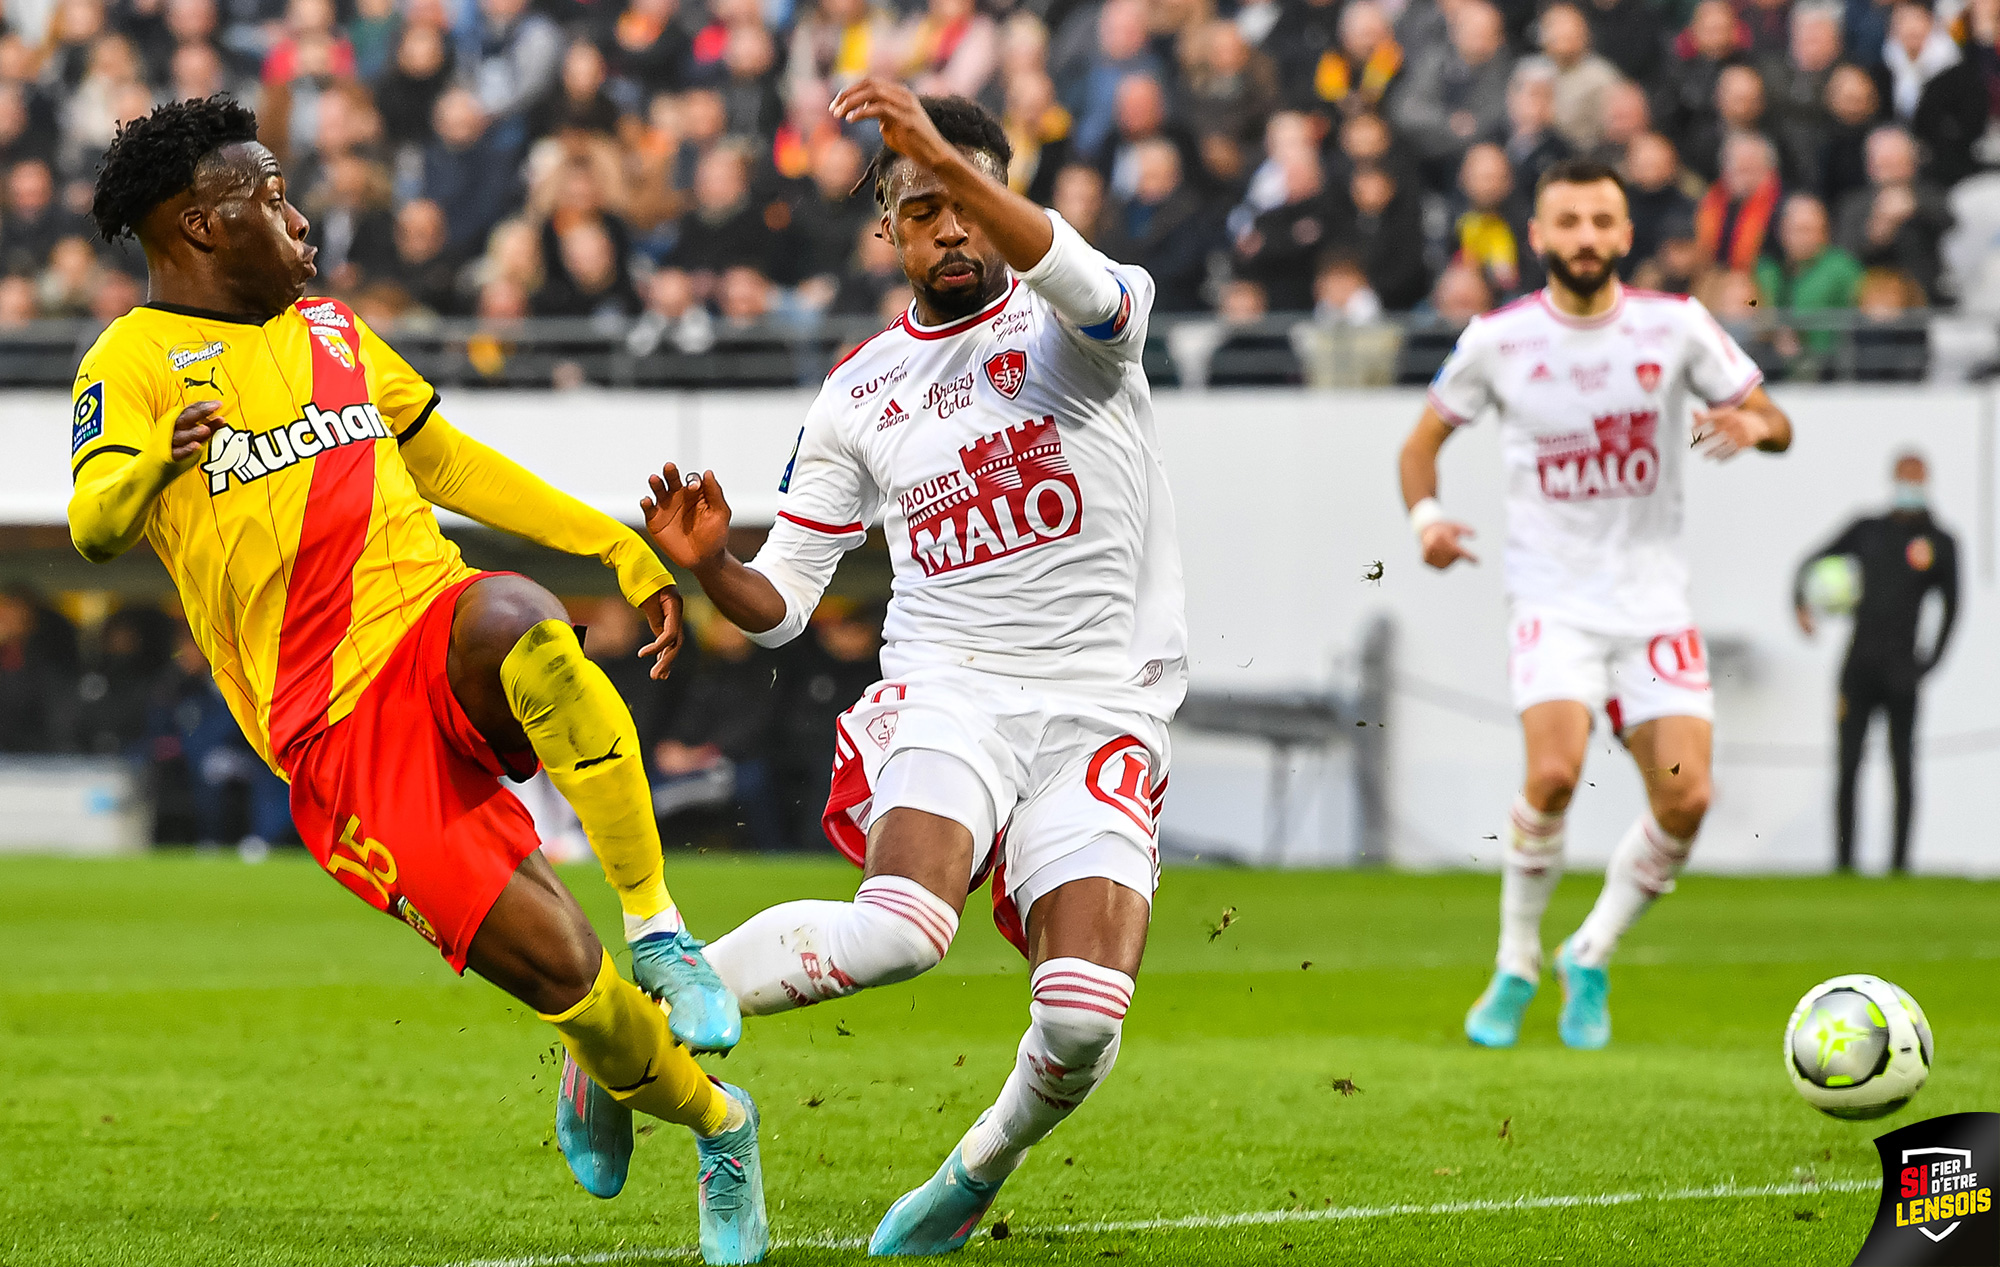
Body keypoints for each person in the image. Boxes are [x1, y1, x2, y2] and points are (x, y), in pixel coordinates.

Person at [65, 98, 764, 1264]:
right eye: (270, 199)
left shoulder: (335, 330)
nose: (300, 220)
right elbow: (90, 523)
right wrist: (150, 463)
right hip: (332, 738)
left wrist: (608, 540)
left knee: (528, 627)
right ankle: (715, 1119)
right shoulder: (127, 364)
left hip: (428, 628)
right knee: (564, 982)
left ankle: (660, 931)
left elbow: (443, 458)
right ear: (197, 224)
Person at [640, 81, 1184, 1254]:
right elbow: (784, 602)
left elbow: (1077, 279)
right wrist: (710, 568)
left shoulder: (1087, 317)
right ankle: (632, 1022)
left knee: (1084, 1021)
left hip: (1102, 710)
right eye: (918, 207)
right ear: (886, 230)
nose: (949, 227)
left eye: (967, 200)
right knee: (898, 931)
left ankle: (976, 1167)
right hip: (953, 688)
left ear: (1003, 203)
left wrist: (947, 157)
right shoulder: (857, 392)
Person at [1397, 158, 1794, 1051]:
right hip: (1552, 599)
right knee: (1551, 773)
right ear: (1537, 236)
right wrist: (1426, 519)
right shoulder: (1499, 340)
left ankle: (1591, 947)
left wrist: (1750, 424)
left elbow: (1777, 419)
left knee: (1688, 802)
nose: (1584, 237)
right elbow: (1419, 446)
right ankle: (1514, 960)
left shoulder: (1675, 326)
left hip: (1654, 606)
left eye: (1600, 221)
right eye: (1567, 222)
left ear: (1624, 235)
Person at [1795, 453, 1958, 873]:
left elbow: (1952, 609)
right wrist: (1801, 603)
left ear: (1927, 482)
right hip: (1858, 670)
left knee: (1902, 767)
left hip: (1903, 673)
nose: (1910, 486)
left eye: (1917, 479)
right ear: (1893, 480)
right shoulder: (1867, 530)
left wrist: (1928, 664)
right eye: (1905, 478)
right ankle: (1844, 864)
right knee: (1848, 766)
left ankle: (1900, 866)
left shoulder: (1940, 542)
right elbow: (1809, 563)